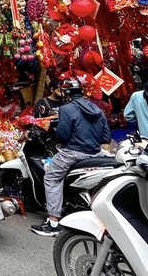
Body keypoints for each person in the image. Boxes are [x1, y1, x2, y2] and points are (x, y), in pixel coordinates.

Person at [31, 78, 111, 236]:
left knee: (52, 177)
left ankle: (53, 222)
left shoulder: (67, 109)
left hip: (73, 152)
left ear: (67, 95)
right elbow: (106, 137)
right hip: (96, 153)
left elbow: (62, 135)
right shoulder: (97, 108)